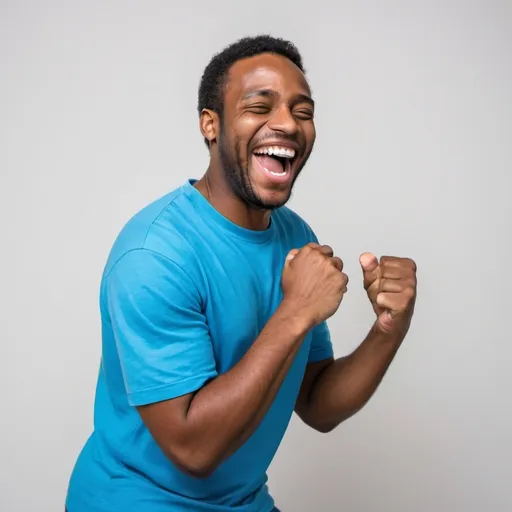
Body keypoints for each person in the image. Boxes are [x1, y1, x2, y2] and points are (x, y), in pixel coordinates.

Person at [65, 35, 417, 512]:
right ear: (211, 125)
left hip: (243, 501)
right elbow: (193, 448)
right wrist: (295, 311)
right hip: (137, 501)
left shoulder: (295, 237)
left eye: (303, 111)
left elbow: (315, 401)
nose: (287, 124)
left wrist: (387, 329)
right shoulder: (154, 255)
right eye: (260, 106)